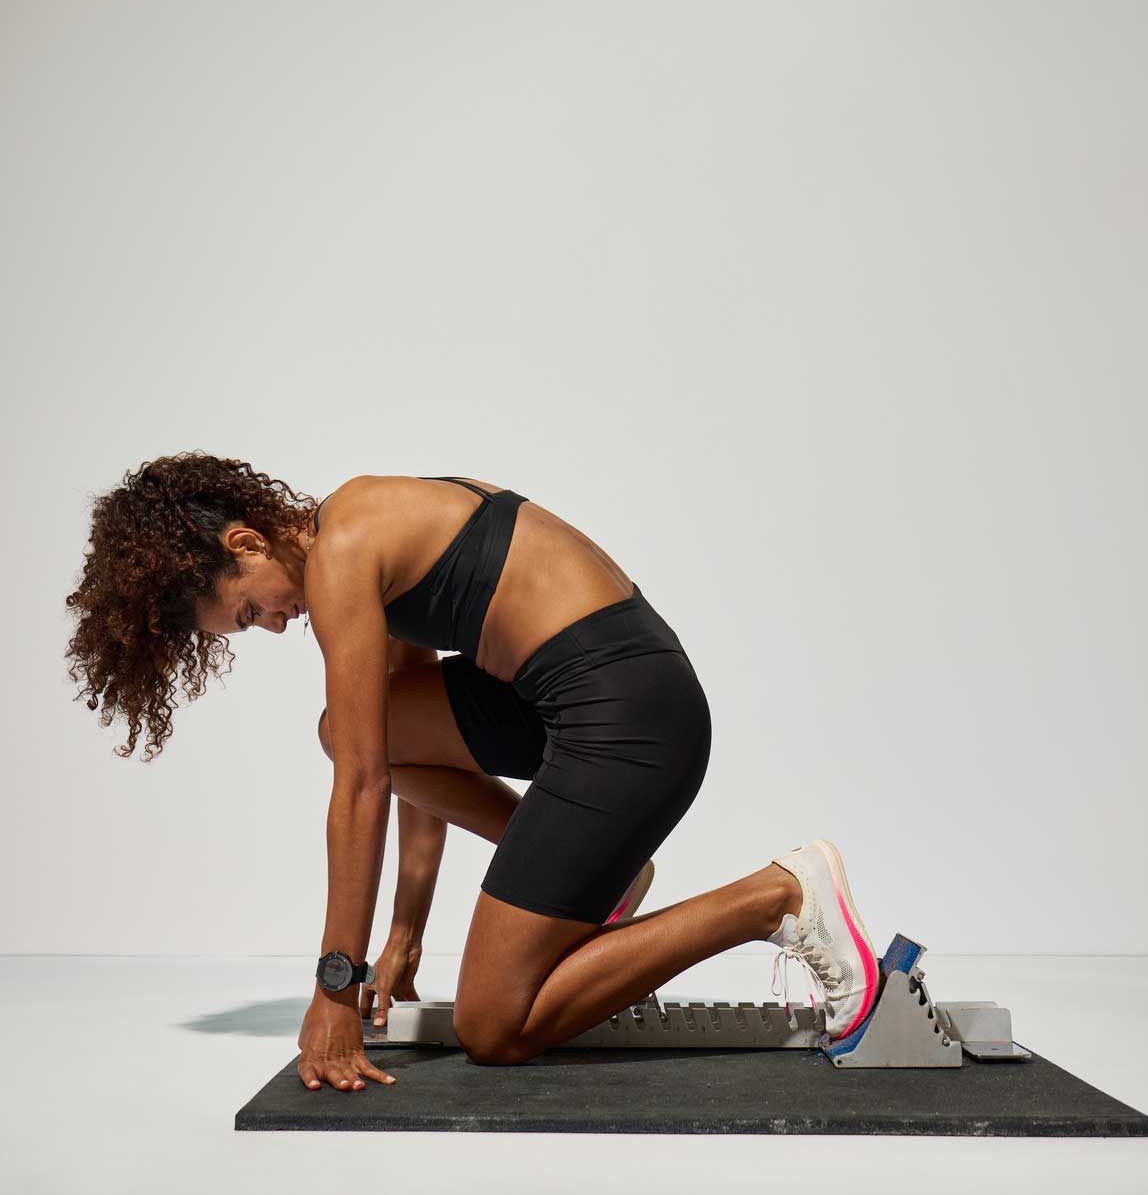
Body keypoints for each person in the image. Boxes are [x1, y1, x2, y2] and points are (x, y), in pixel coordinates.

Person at [65, 451, 880, 1094]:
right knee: (347, 727)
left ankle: (778, 895)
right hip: (603, 695)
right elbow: (402, 753)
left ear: (245, 542)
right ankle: (607, 879)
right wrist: (403, 935)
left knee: (495, 1026)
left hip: (633, 718)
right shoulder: (364, 518)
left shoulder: (342, 554)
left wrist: (335, 989)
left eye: (250, 610)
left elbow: (362, 787)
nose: (273, 626)